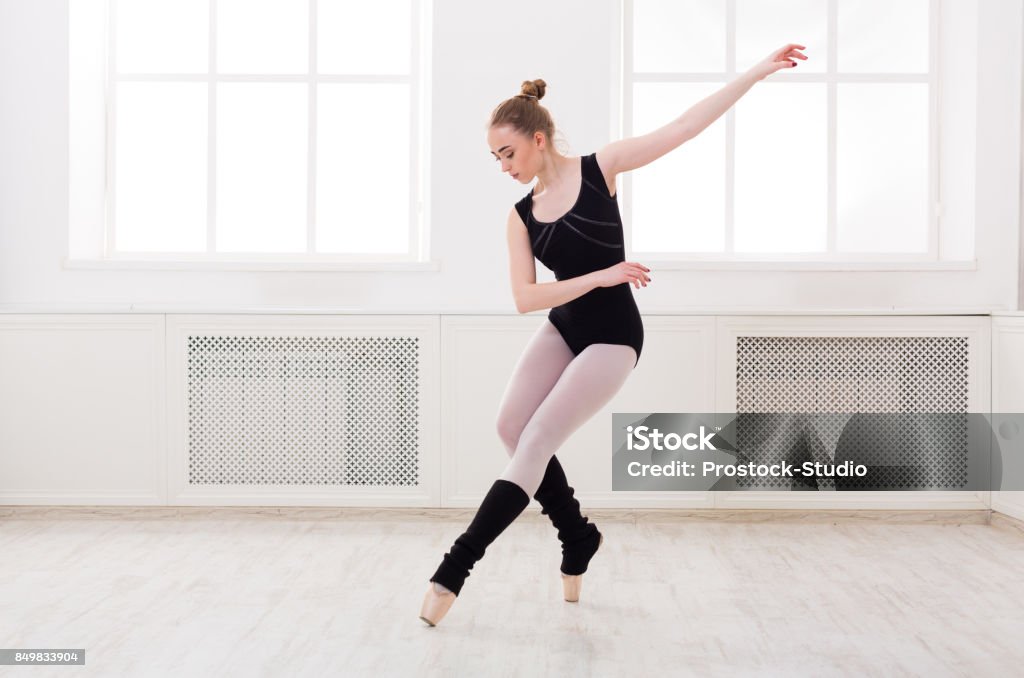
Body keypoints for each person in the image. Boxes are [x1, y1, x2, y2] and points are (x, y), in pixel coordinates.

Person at [420, 43, 808, 627]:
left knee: (537, 438)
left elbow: (684, 126)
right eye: (495, 158)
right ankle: (577, 535)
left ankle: (455, 568)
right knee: (509, 426)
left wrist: (753, 72)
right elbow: (525, 299)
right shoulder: (520, 216)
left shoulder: (602, 169)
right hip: (565, 325)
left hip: (614, 336)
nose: (504, 167)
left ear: (538, 140)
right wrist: (599, 274)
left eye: (508, 153)